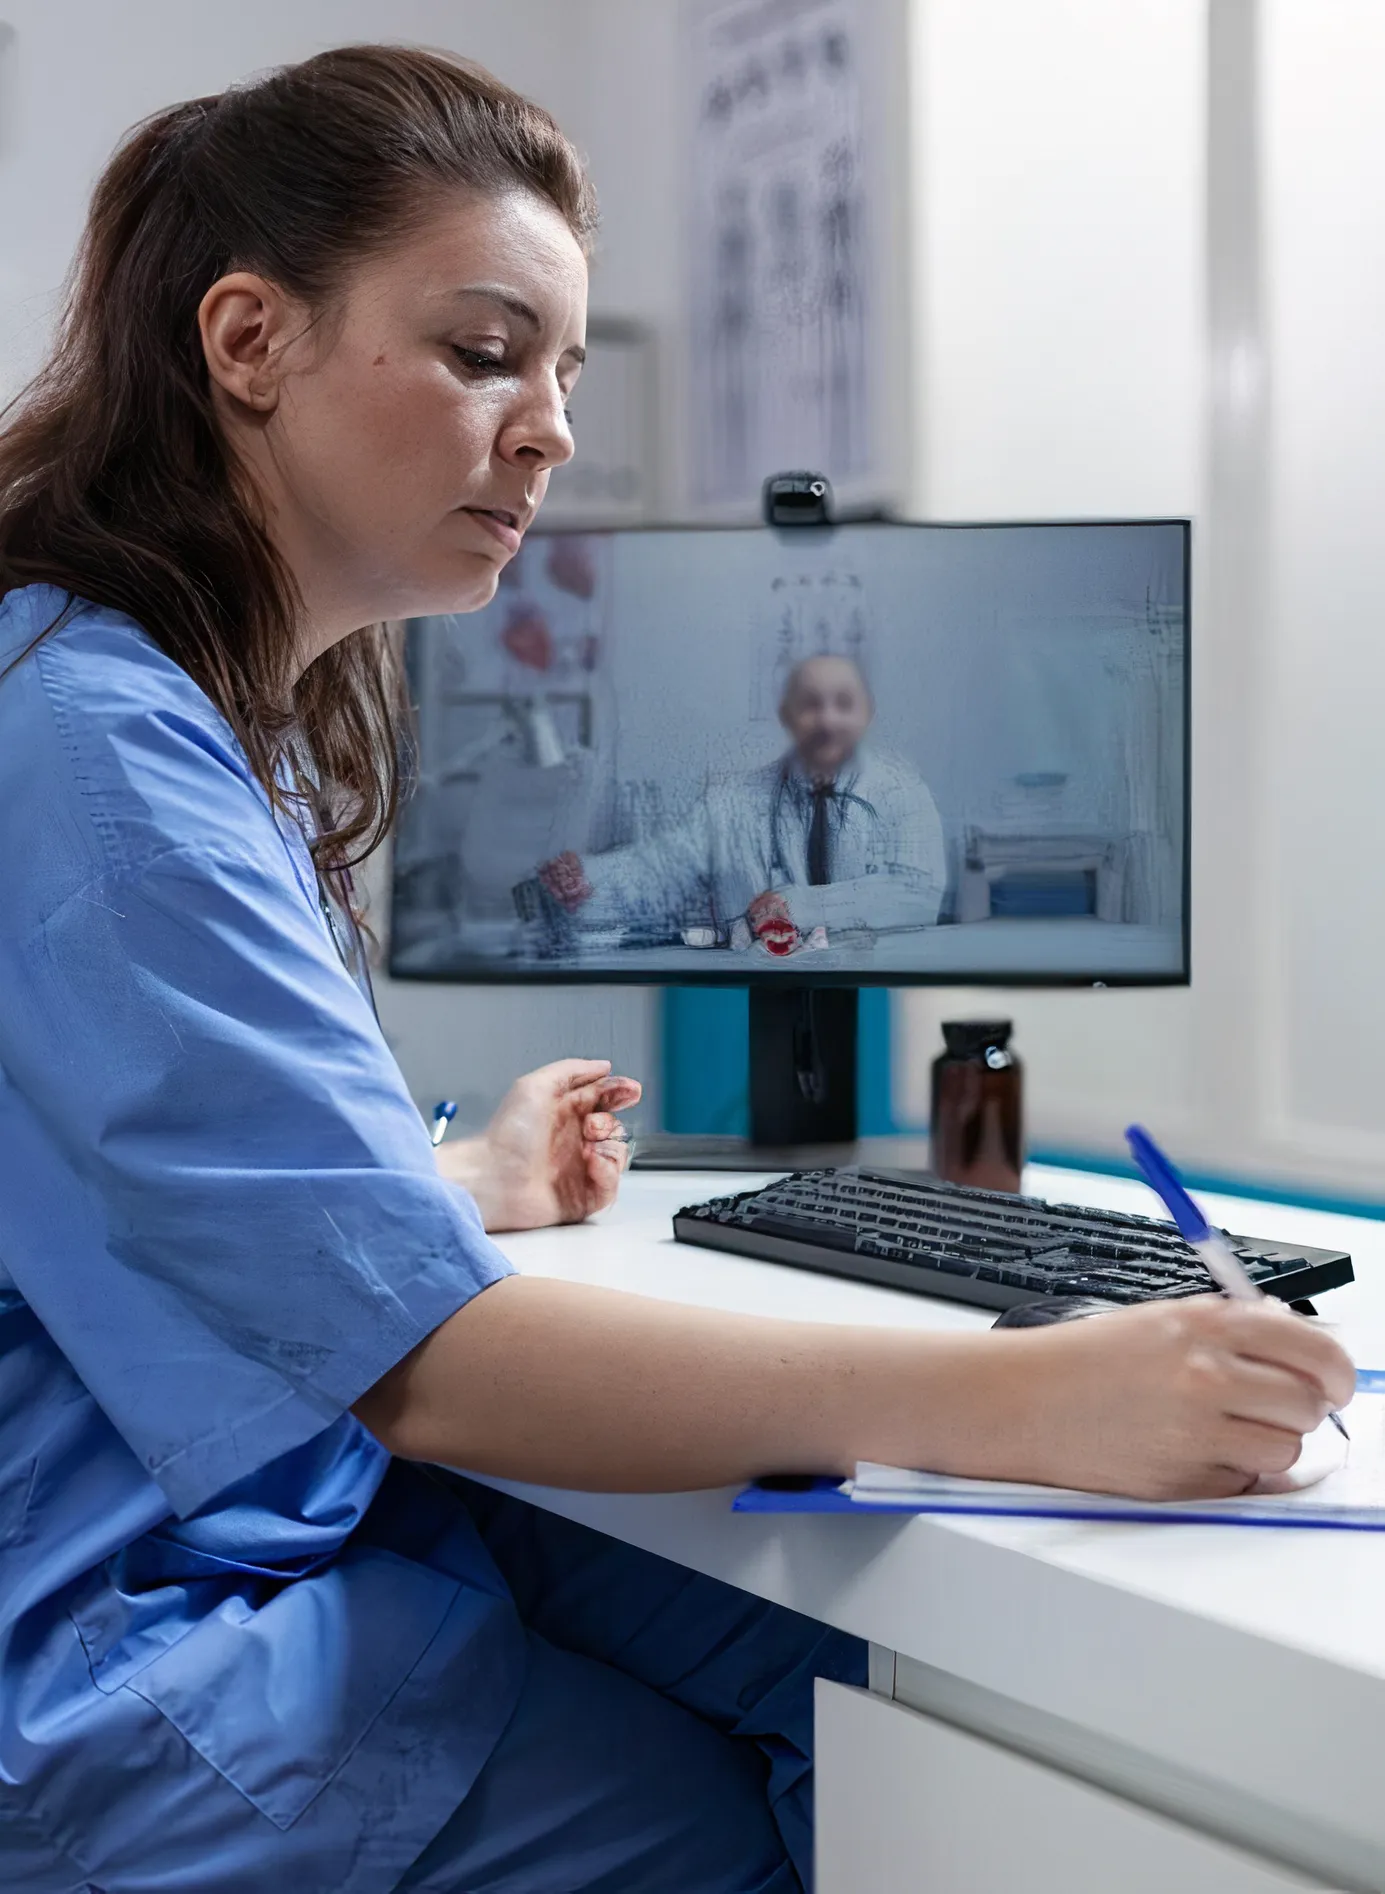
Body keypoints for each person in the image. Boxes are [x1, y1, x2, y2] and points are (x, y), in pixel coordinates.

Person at [0, 44, 1354, 1894]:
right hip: (129, 1646)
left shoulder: (141, 705)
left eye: (562, 366)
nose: (550, 425)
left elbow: (134, 1175)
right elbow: (427, 1369)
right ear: (248, 341)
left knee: (848, 1689)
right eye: (487, 350)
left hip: (241, 1510)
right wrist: (1041, 1396)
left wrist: (443, 1182)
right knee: (827, 1802)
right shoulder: (97, 743)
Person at [537, 651, 948, 952]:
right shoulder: (735, 802)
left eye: (844, 704)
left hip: (873, 993)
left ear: (868, 715)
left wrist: (797, 906)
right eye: (810, 705)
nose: (827, 720)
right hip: (755, 992)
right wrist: (588, 882)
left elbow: (916, 896)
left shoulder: (902, 792)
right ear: (787, 716)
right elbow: (661, 869)